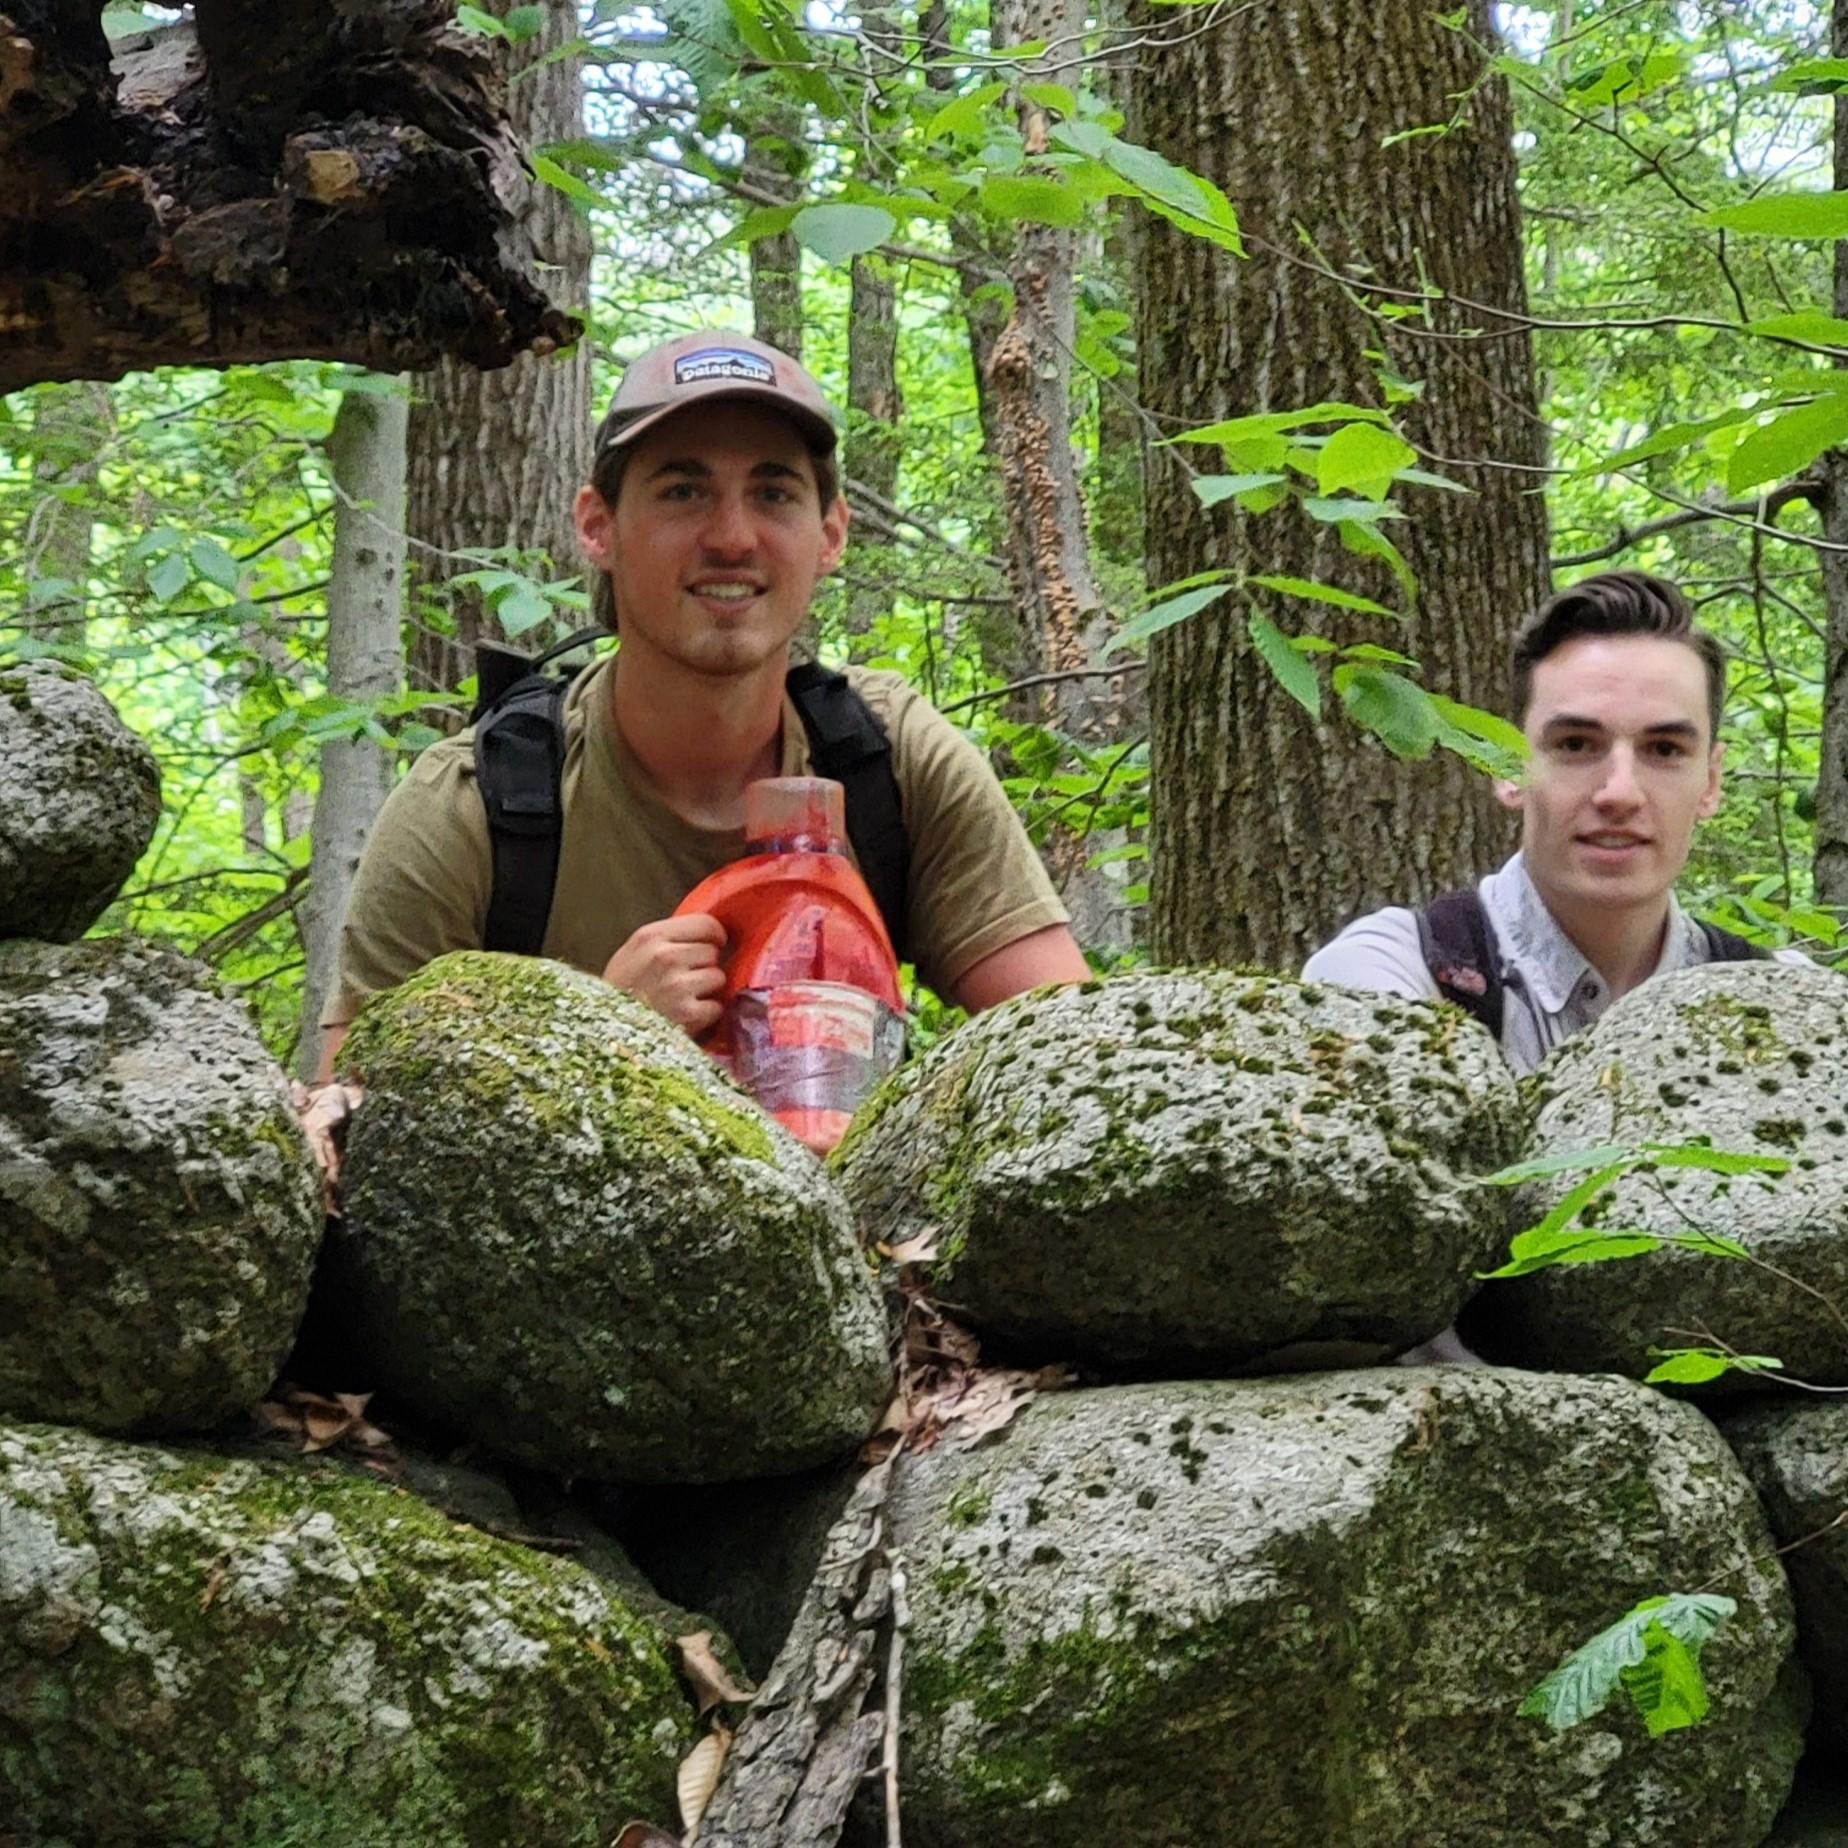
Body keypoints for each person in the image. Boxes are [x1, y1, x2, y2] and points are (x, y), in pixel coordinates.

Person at [315, 331, 1089, 1081]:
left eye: (774, 493)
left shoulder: (890, 762)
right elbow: (352, 1130)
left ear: (830, 534)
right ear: (598, 526)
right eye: (683, 491)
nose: (731, 536)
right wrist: (594, 1039)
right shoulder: (477, 808)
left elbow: (1072, 1061)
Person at [1303, 568, 1807, 1078]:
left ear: (1712, 781)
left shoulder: (1793, 1010)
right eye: (1575, 745)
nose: (1620, 793)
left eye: (1664, 750)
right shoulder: (1390, 978)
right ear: (1506, 764)